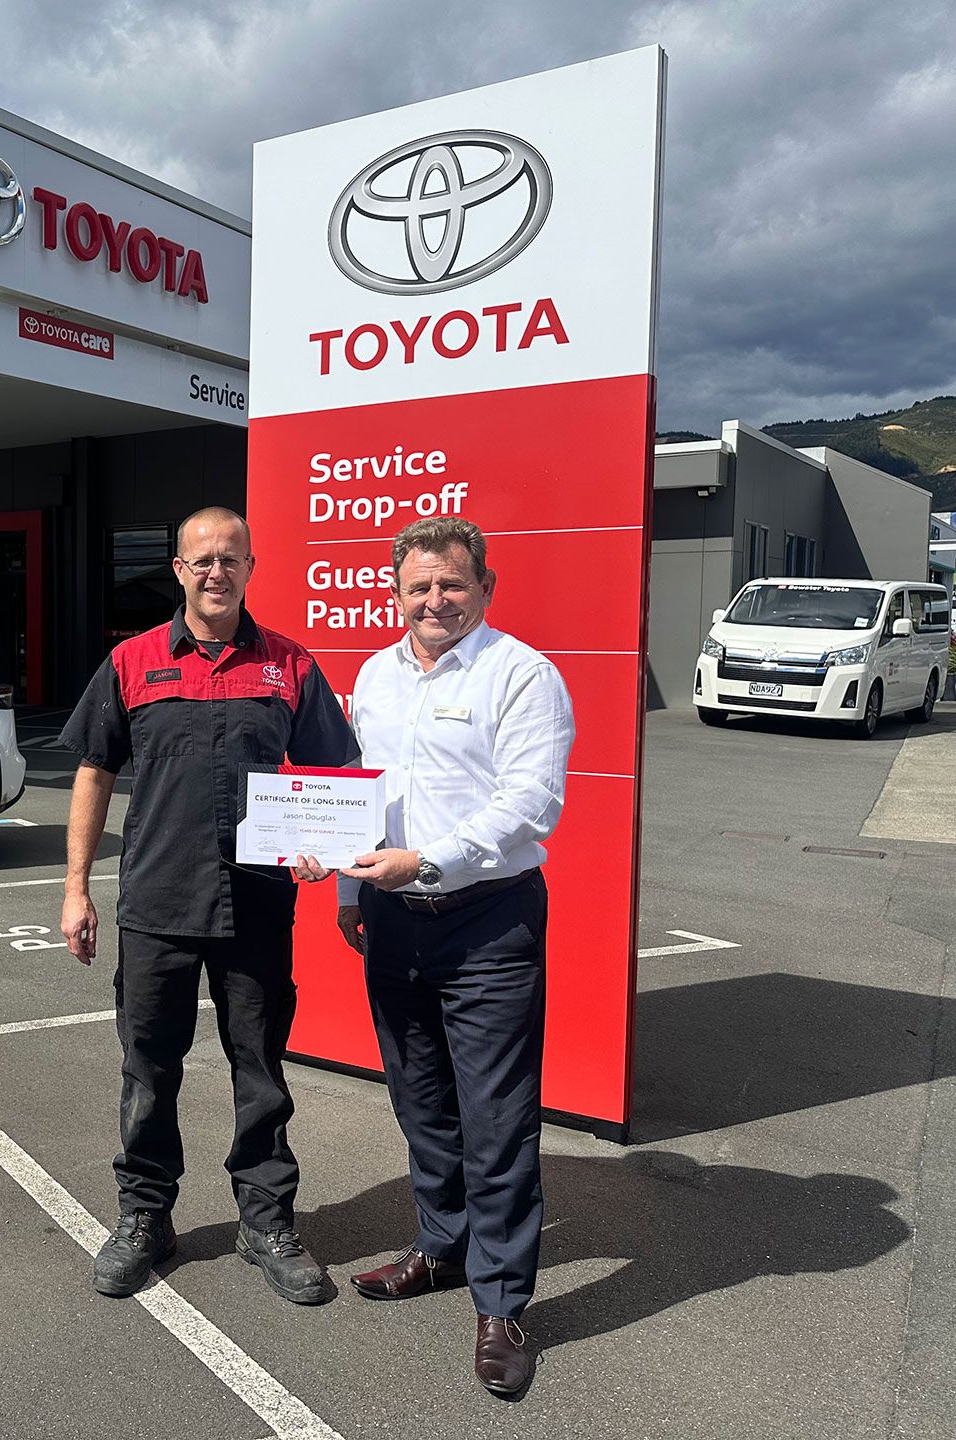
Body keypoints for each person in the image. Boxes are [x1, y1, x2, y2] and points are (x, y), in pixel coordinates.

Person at [59, 506, 358, 1304]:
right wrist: (75, 888)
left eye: (231, 559)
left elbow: (333, 777)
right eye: (202, 560)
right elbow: (93, 772)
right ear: (179, 569)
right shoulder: (132, 662)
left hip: (256, 906)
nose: (216, 572)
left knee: (260, 1073)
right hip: (156, 903)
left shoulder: (289, 665)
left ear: (251, 568)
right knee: (149, 1073)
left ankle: (266, 1222)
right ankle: (145, 1217)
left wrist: (326, 850)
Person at [318, 516, 574, 1397]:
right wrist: (353, 891)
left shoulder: (523, 675)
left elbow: (529, 806)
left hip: (488, 922)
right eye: (419, 586)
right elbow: (362, 795)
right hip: (392, 920)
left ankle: (502, 1304)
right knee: (421, 1099)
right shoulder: (374, 676)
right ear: (395, 592)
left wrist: (426, 862)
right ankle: (441, 1248)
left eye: (452, 585)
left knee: (497, 1121)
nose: (435, 600)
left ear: (484, 590)